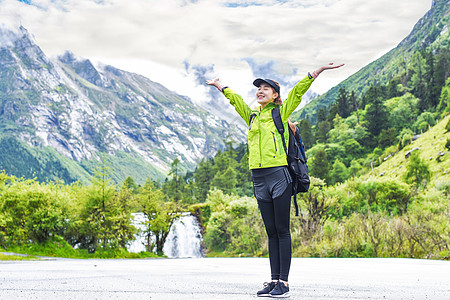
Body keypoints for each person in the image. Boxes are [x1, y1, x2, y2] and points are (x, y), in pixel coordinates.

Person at [206, 63, 344, 298]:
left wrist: (315, 72)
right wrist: (220, 86)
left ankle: (284, 283)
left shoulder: (281, 112)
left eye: (266, 88)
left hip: (279, 176)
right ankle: (273, 280)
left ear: (275, 95)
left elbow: (297, 93)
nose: (260, 90)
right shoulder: (252, 117)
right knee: (270, 231)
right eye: (258, 88)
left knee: (282, 230)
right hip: (258, 178)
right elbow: (236, 100)